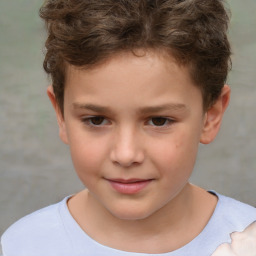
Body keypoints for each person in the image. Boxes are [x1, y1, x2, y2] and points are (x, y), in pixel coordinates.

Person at [1, 0, 256, 255]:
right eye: (96, 120)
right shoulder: (23, 245)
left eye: (159, 121)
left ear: (210, 116)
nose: (125, 154)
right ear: (61, 115)